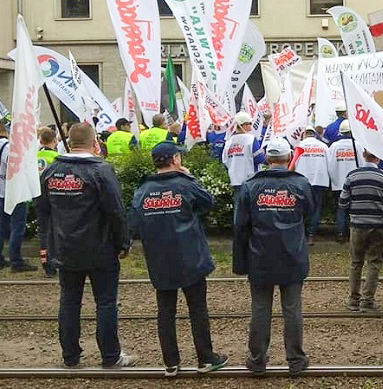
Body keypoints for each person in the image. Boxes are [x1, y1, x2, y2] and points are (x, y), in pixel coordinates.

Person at [35, 123, 136, 368]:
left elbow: (43, 211)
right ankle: (110, 356)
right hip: (100, 249)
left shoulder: (51, 172)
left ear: (69, 142)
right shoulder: (101, 171)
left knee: (69, 302)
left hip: (66, 248)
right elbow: (115, 211)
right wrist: (123, 242)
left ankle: (70, 356)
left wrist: (47, 246)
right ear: (95, 144)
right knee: (106, 302)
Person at [129, 141, 228, 377]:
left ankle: (170, 363)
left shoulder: (143, 190)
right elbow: (208, 203)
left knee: (165, 311)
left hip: (160, 259)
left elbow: (133, 224)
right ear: (175, 159)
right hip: (190, 257)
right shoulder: (186, 185)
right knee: (197, 309)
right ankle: (205, 358)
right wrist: (191, 178)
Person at [233, 138, 314, 376]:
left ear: (267, 159)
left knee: (260, 308)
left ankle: (258, 360)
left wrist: (240, 262)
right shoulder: (300, 184)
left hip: (260, 257)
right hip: (293, 255)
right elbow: (309, 212)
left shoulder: (250, 186)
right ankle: (296, 360)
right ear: (289, 158)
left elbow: (240, 226)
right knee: (292, 309)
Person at [339, 150, 383, 312]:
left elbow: (342, 202)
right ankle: (368, 300)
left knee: (356, 262)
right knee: (374, 263)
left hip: (357, 225)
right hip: (378, 226)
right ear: (378, 157)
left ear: (363, 155)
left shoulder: (352, 175)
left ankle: (353, 299)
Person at [0, 121, 35, 272]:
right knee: (17, 226)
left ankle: (1, 259)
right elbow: (14, 165)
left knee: (1, 227)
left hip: (0, 192)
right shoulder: (7, 147)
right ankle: (16, 260)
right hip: (13, 191)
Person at [327, 120, 362, 242]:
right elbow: (362, 165)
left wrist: (334, 181)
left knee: (341, 208)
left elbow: (330, 166)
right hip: (356, 183)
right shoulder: (357, 146)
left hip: (339, 184)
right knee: (354, 209)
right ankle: (353, 234)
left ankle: (341, 233)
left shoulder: (334, 147)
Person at [294, 126, 330, 244]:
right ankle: (311, 234)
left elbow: (293, 164)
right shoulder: (323, 146)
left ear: (304, 134)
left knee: (301, 208)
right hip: (320, 181)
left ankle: (300, 233)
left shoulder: (299, 146)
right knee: (316, 208)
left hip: (302, 181)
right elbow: (329, 164)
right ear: (314, 134)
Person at [222, 112, 264, 211]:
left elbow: (225, 161)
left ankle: (238, 227)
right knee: (253, 210)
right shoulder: (251, 139)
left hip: (235, 181)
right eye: (250, 123)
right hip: (251, 180)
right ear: (244, 125)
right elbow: (259, 159)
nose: (251, 126)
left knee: (239, 210)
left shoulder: (229, 142)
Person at [38, 127, 60, 277]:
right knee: (54, 230)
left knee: (43, 231)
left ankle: (45, 261)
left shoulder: (35, 155)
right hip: (53, 197)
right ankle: (54, 260)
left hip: (37, 195)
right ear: (54, 140)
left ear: (40, 141)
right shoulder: (57, 158)